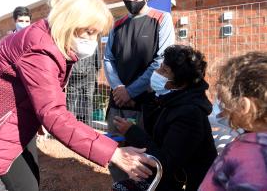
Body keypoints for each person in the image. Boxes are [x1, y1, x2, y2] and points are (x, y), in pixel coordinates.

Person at [0, 0, 156, 191]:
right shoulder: (40, 49)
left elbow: (47, 91)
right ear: (69, 23)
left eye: (96, 34)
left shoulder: (52, 40)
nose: (92, 41)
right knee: (26, 187)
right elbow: (54, 114)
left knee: (31, 180)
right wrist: (113, 153)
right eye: (88, 32)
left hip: (16, 117)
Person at [113, 45, 218, 191]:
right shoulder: (170, 99)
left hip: (185, 183)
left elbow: (166, 162)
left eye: (165, 71)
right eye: (160, 67)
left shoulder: (190, 114)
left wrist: (132, 132)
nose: (157, 73)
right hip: (167, 178)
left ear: (181, 83)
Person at [104, 0, 175, 182]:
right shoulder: (117, 25)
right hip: (118, 103)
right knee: (116, 154)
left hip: (147, 106)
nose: (131, 1)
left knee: (145, 158)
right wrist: (118, 87)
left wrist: (131, 91)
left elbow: (161, 60)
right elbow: (108, 58)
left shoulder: (161, 19)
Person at [199, 52, 267, 191]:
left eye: (224, 103)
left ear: (244, 107)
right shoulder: (249, 143)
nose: (222, 113)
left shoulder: (253, 159)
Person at [66, 46, 100, 123]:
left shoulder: (72, 41)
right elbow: (98, 63)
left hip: (73, 75)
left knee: (71, 101)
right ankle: (88, 126)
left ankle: (70, 124)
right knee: (88, 101)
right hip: (89, 75)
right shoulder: (92, 41)